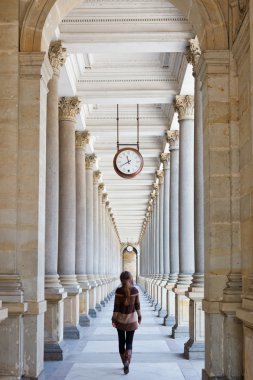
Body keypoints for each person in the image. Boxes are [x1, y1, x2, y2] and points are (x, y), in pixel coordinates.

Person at [112, 271, 141, 375]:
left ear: (121, 279)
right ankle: (127, 361)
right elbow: (137, 305)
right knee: (129, 343)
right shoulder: (135, 290)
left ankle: (124, 362)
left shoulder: (118, 291)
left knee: (121, 342)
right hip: (132, 320)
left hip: (120, 320)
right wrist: (140, 316)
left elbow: (116, 307)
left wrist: (113, 319)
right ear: (130, 279)